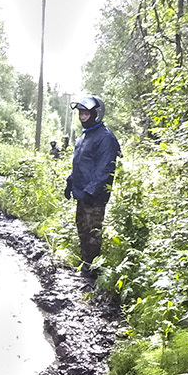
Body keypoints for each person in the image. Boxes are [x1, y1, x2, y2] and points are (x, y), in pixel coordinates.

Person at [63, 94, 121, 271]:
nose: (82, 117)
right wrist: (70, 182)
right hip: (82, 194)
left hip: (94, 197)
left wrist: (90, 191)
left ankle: (92, 274)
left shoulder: (105, 138)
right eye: (80, 113)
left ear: (96, 113)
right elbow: (79, 164)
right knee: (82, 231)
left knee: (92, 235)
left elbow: (105, 169)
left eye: (86, 113)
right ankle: (85, 266)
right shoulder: (84, 137)